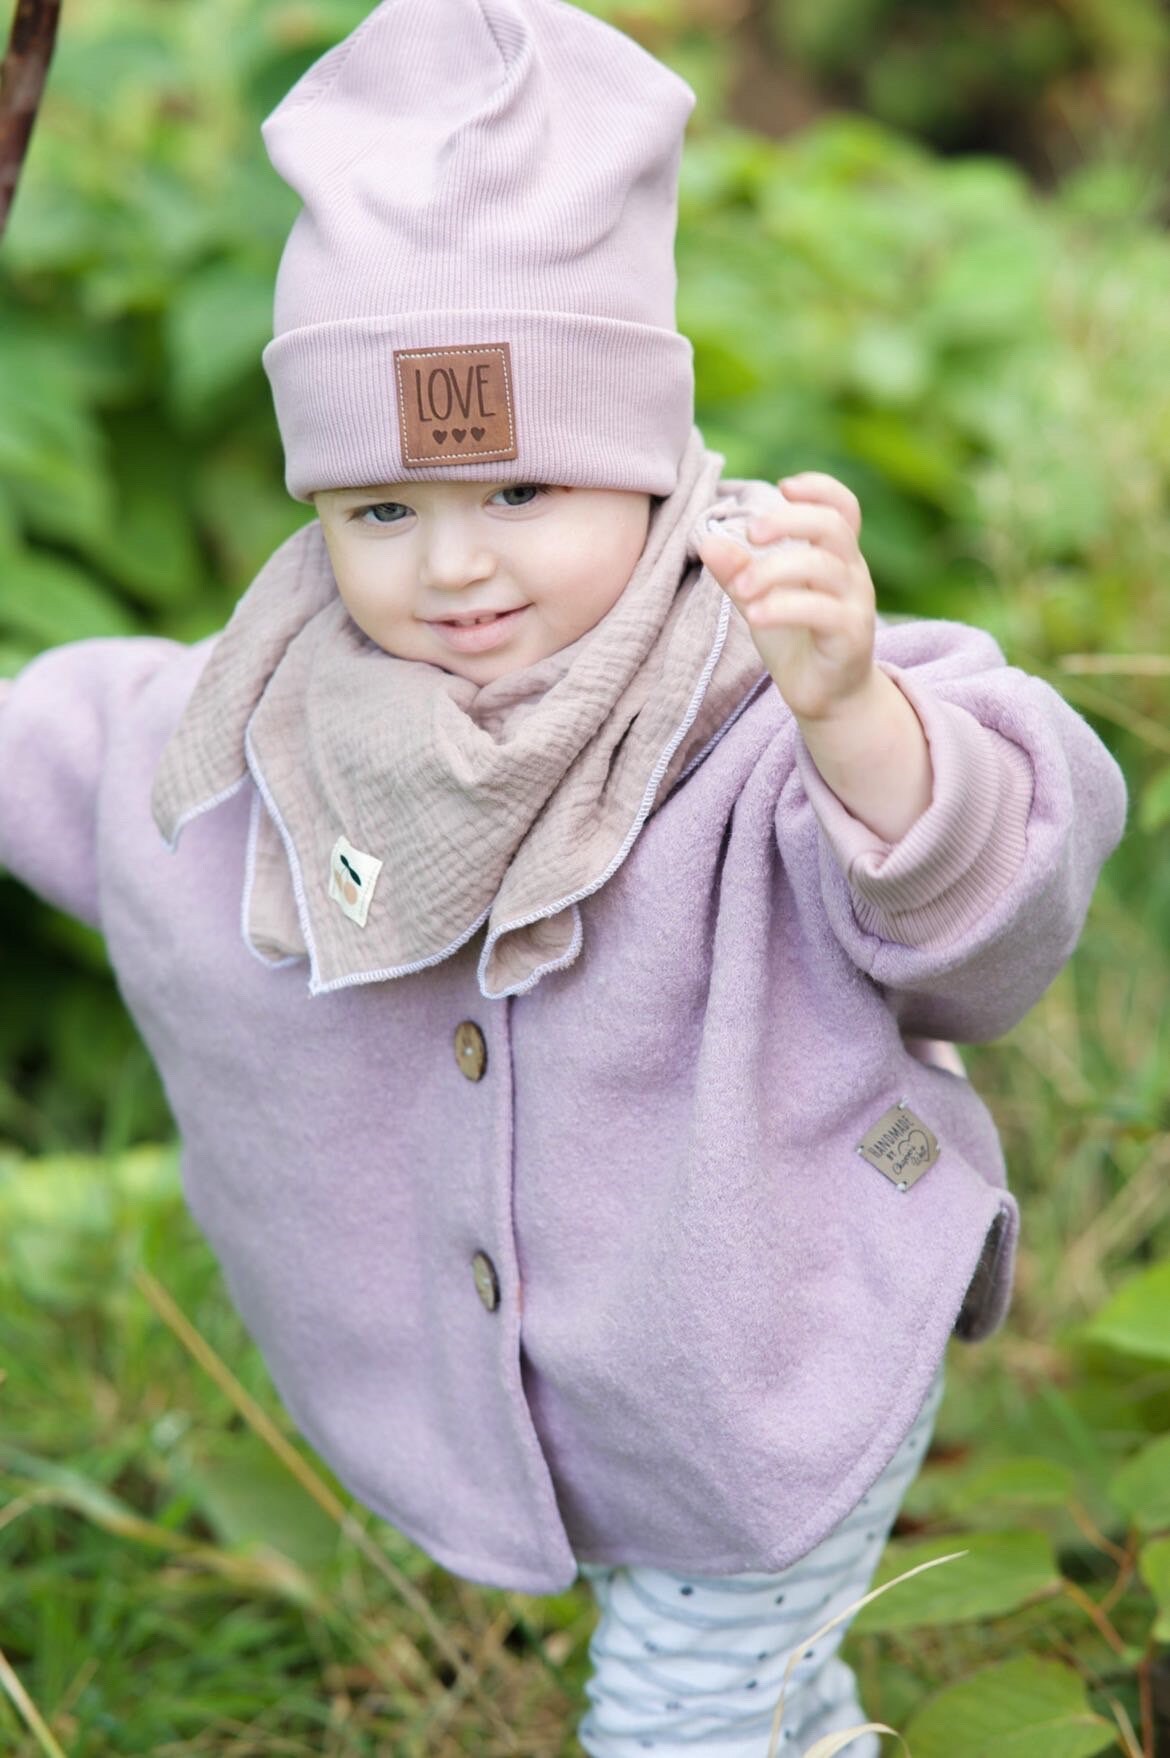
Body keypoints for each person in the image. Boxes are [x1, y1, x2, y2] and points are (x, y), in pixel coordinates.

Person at [0, 0, 1127, 1752]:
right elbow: (77, 758)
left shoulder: (746, 683)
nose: (453, 565)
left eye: (519, 486)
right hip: (616, 1398)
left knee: (679, 1714)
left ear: (641, 461)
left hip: (780, 1356)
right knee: (762, 1709)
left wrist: (856, 717)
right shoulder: (272, 728)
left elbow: (997, 899)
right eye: (380, 510)